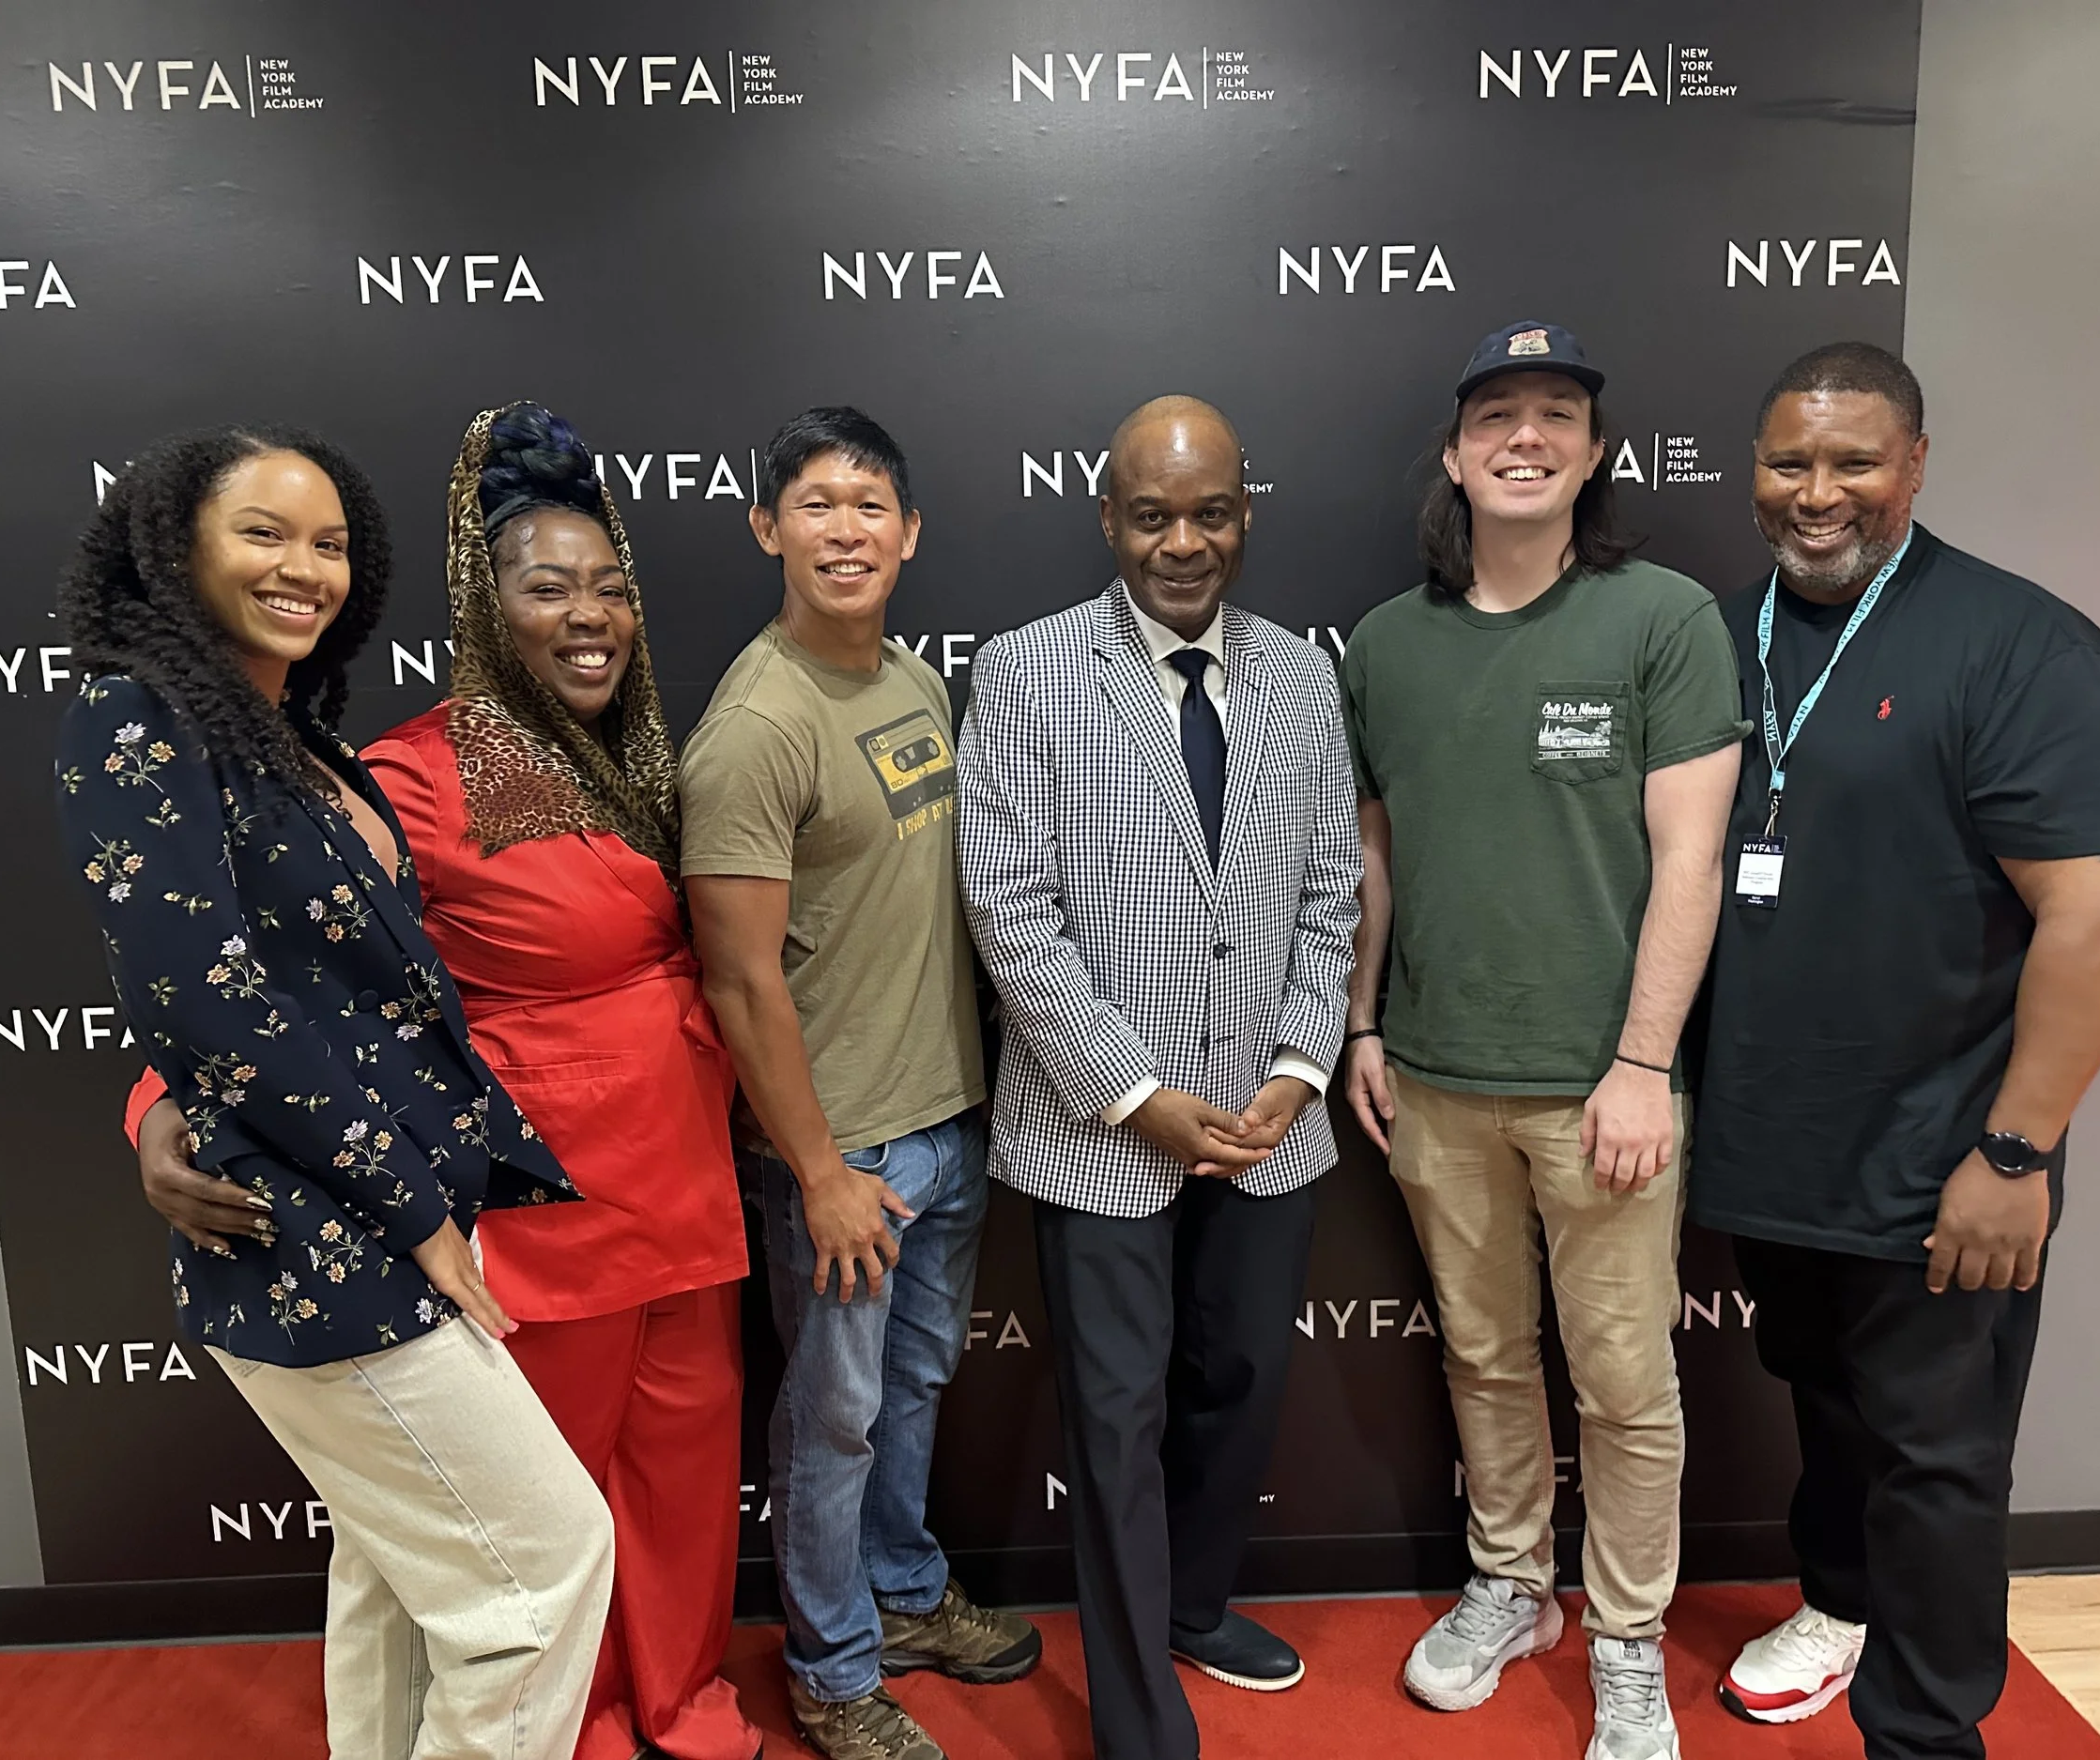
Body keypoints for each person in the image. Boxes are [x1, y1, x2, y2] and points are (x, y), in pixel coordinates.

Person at [129, 404, 760, 1760]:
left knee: (691, 1466)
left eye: (609, 589)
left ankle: (681, 1693)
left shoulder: (651, 753)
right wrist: (153, 1105)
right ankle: (577, 1718)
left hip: (688, 1182)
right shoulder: (409, 774)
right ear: (487, 604)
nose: (587, 616)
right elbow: (255, 953)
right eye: (547, 587)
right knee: (554, 1507)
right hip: (543, 1200)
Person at [54, 425, 610, 1760]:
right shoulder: (135, 714)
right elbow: (202, 994)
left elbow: (336, 990)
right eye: (263, 532)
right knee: (539, 1579)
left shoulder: (292, 734)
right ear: (175, 544)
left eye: (330, 541)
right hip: (322, 1235)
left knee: (395, 1580)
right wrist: (409, 1204)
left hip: (383, 1208)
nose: (304, 566)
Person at [1693, 343, 2100, 1758]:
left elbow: (2099, 906)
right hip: (1771, 1150)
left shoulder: (2021, 645)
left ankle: (1926, 1733)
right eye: (1788, 462)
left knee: (1939, 1464)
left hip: (1941, 1159)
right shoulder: (1721, 631)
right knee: (1828, 1415)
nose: (1815, 492)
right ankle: (1837, 1607)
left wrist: (2013, 1151)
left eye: (1852, 462)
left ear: (1914, 464)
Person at [1338, 322, 1745, 1760]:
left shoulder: (1664, 618)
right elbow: (1376, 853)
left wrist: (1643, 1063)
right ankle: (1515, 1583)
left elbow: (1689, 861)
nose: (1526, 436)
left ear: (1593, 446)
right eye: (1497, 414)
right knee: (1484, 1356)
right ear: (1454, 453)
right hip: (1437, 1081)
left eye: (1556, 412)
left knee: (1626, 1381)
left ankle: (1626, 1634)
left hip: (1603, 1092)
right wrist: (1366, 1020)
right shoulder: (1387, 643)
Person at [957, 394, 1361, 1760]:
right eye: (1152, 515)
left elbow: (1328, 896)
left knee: (1241, 1378)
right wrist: (1136, 1093)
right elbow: (1011, 913)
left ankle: (1195, 1603)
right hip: (1100, 1130)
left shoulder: (1304, 677)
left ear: (1246, 511)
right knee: (1116, 1422)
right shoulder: (1023, 671)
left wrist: (1300, 1071)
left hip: (1270, 1120)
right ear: (1108, 517)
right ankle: (1141, 1715)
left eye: (1209, 513)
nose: (1181, 542)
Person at [678, 406, 1038, 1760]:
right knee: (830, 1418)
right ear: (768, 526)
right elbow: (738, 982)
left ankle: (896, 1594)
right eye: (816, 504)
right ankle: (830, 1669)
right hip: (842, 1154)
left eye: (870, 504)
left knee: (915, 1383)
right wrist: (822, 1171)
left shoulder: (911, 682)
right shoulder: (755, 726)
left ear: (911, 533)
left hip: (946, 1114)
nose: (846, 528)